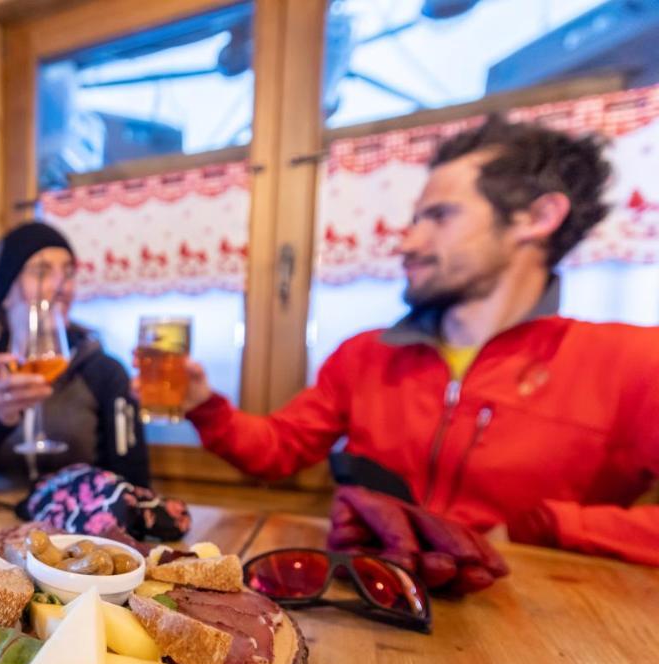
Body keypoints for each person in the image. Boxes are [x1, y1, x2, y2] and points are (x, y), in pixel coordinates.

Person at [175, 117, 659, 566]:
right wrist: (203, 406)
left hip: (536, 636)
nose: (408, 243)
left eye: (440, 217)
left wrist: (544, 528)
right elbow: (278, 449)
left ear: (537, 217)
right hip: (380, 602)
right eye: (414, 220)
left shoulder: (632, 364)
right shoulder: (366, 356)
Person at [0, 221, 150, 491]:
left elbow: (134, 483)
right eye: (42, 271)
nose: (62, 286)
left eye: (68, 273)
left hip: (76, 528)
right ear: (5, 292)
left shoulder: (105, 372)